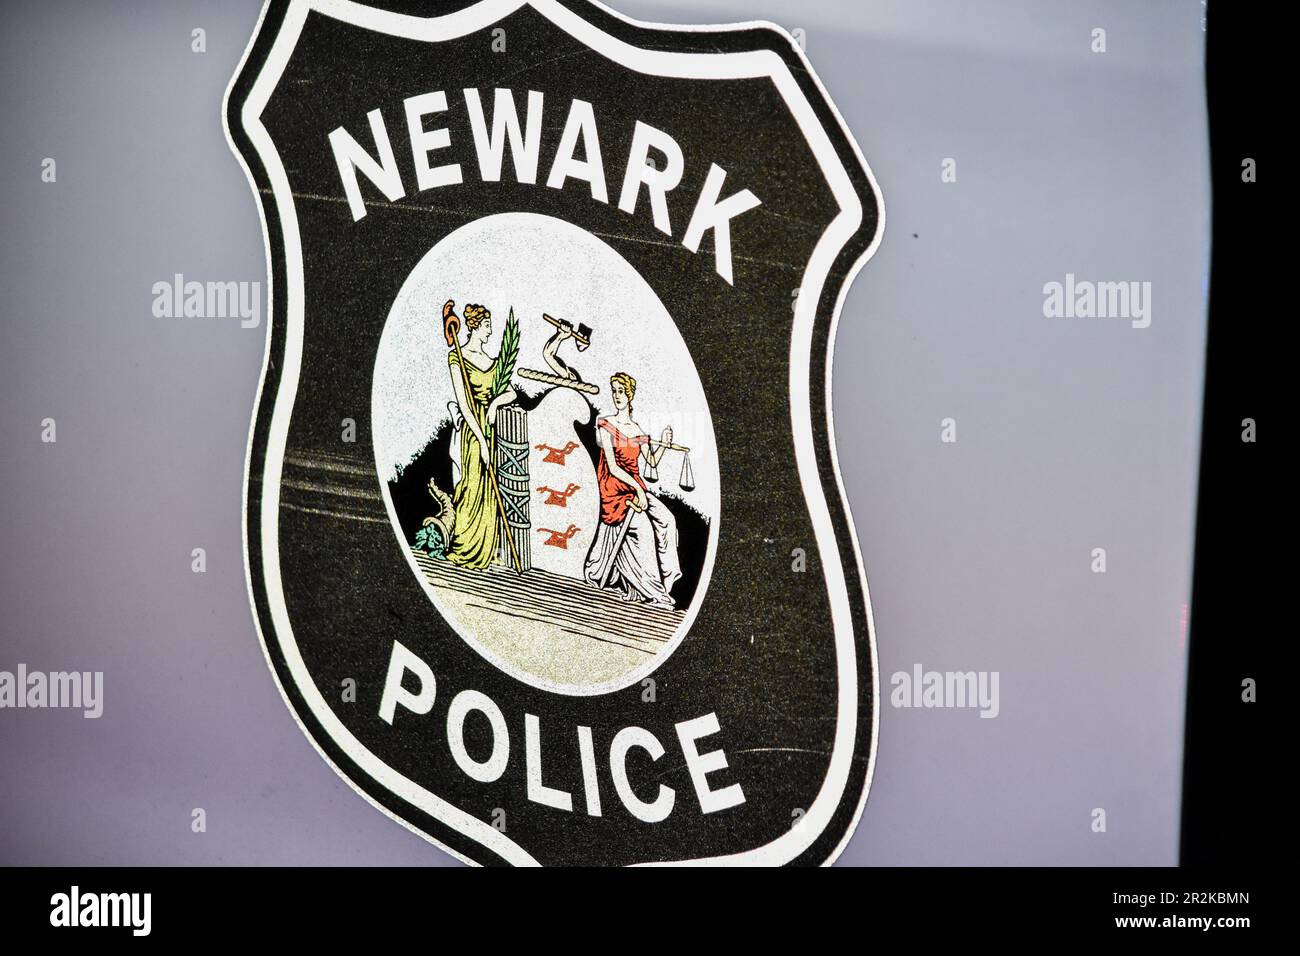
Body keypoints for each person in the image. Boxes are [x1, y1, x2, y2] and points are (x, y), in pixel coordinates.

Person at [583, 372, 680, 606]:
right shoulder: (606, 424)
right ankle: (654, 593)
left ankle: (666, 584)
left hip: (636, 486)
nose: (617, 395)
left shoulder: (637, 429)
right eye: (614, 390)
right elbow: (614, 467)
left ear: (630, 395)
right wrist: (636, 489)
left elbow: (652, 462)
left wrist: (664, 444)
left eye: (621, 391)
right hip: (615, 487)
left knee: (667, 519)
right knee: (644, 529)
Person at [445, 303, 516, 569]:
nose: (490, 331)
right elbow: (464, 404)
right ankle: (464, 547)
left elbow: (511, 393)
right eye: (487, 326)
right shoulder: (457, 359)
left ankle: (487, 552)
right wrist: (481, 440)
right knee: (472, 486)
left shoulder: (492, 360)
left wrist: (496, 404)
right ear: (475, 326)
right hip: (472, 432)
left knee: (490, 490)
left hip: (491, 429)